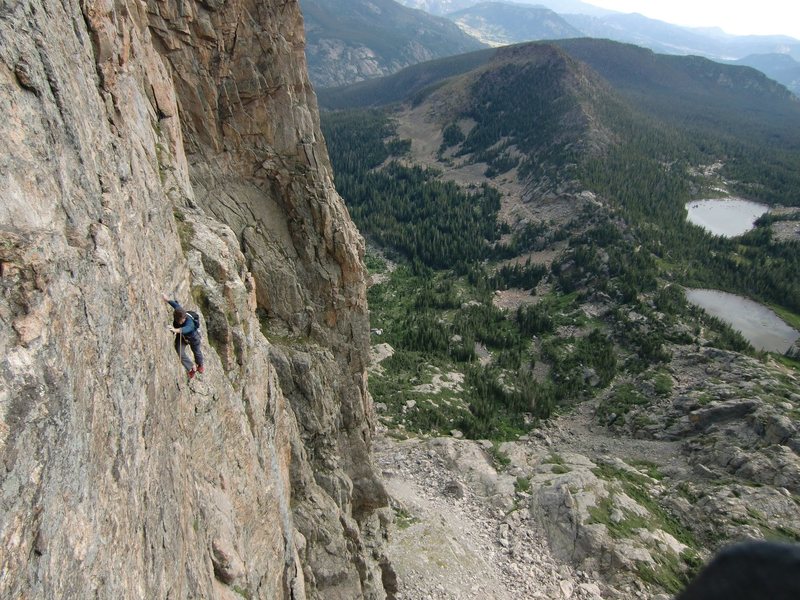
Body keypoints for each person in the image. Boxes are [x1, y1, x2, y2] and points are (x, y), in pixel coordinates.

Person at [162, 294, 204, 380]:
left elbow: (185, 329)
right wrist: (167, 300)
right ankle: (191, 368)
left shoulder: (190, 324)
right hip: (182, 337)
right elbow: (175, 305)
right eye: (181, 320)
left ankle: (200, 364)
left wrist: (174, 330)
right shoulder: (179, 311)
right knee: (179, 351)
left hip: (193, 338)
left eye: (183, 319)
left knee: (196, 352)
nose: (183, 321)